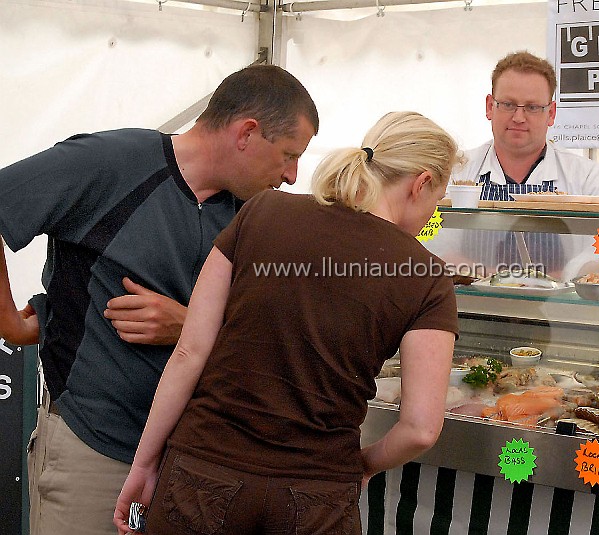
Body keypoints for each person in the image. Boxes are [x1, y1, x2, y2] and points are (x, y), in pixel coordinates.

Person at [0, 64, 319, 535]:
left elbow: (273, 329)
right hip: (95, 451)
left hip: (200, 460)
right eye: (289, 155)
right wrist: (8, 322)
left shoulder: (254, 214)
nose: (292, 176)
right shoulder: (109, 162)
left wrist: (189, 324)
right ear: (247, 133)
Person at [112, 111, 461, 534]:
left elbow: (189, 352)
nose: (430, 216)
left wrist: (145, 463)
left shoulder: (263, 211)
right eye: (437, 201)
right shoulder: (426, 275)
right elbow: (421, 429)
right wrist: (360, 466)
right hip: (317, 495)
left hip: (204, 473)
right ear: (420, 183)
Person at [446, 51, 599, 276]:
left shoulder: (586, 176)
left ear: (551, 113)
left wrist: (571, 273)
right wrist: (479, 273)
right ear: (490, 106)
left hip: (558, 307)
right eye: (508, 104)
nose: (518, 117)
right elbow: (429, 239)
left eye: (532, 107)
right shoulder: (456, 171)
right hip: (473, 306)